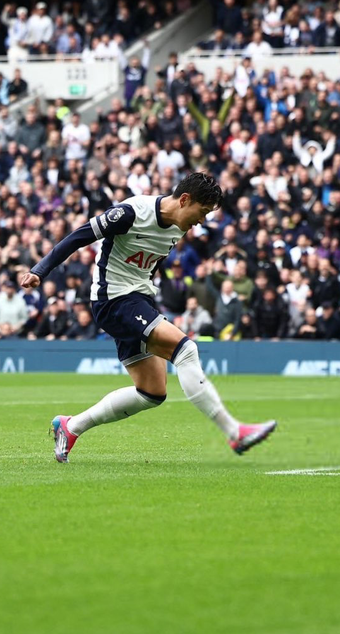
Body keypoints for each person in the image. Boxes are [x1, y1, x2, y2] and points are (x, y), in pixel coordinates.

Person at [19, 172, 276, 462]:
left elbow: (148, 263)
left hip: (138, 298)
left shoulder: (179, 225)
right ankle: (234, 433)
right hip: (112, 299)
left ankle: (71, 426)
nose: (201, 221)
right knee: (186, 350)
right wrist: (39, 270)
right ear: (184, 200)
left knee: (152, 391)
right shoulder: (129, 213)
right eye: (202, 212)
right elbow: (77, 237)